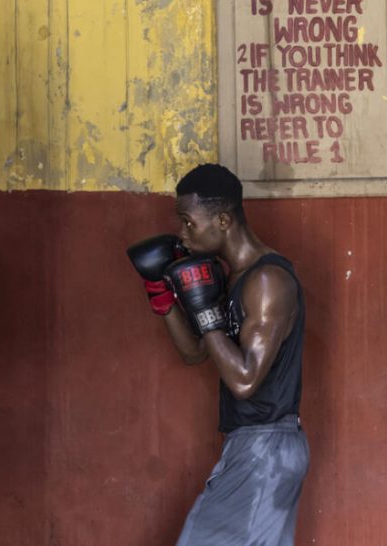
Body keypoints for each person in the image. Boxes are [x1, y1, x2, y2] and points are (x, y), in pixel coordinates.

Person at [128, 164, 307, 545]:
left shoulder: (267, 280)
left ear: (223, 220)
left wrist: (206, 309)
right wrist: (164, 297)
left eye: (188, 223)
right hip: (251, 444)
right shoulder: (234, 278)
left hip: (266, 446)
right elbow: (196, 353)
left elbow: (244, 379)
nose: (182, 233)